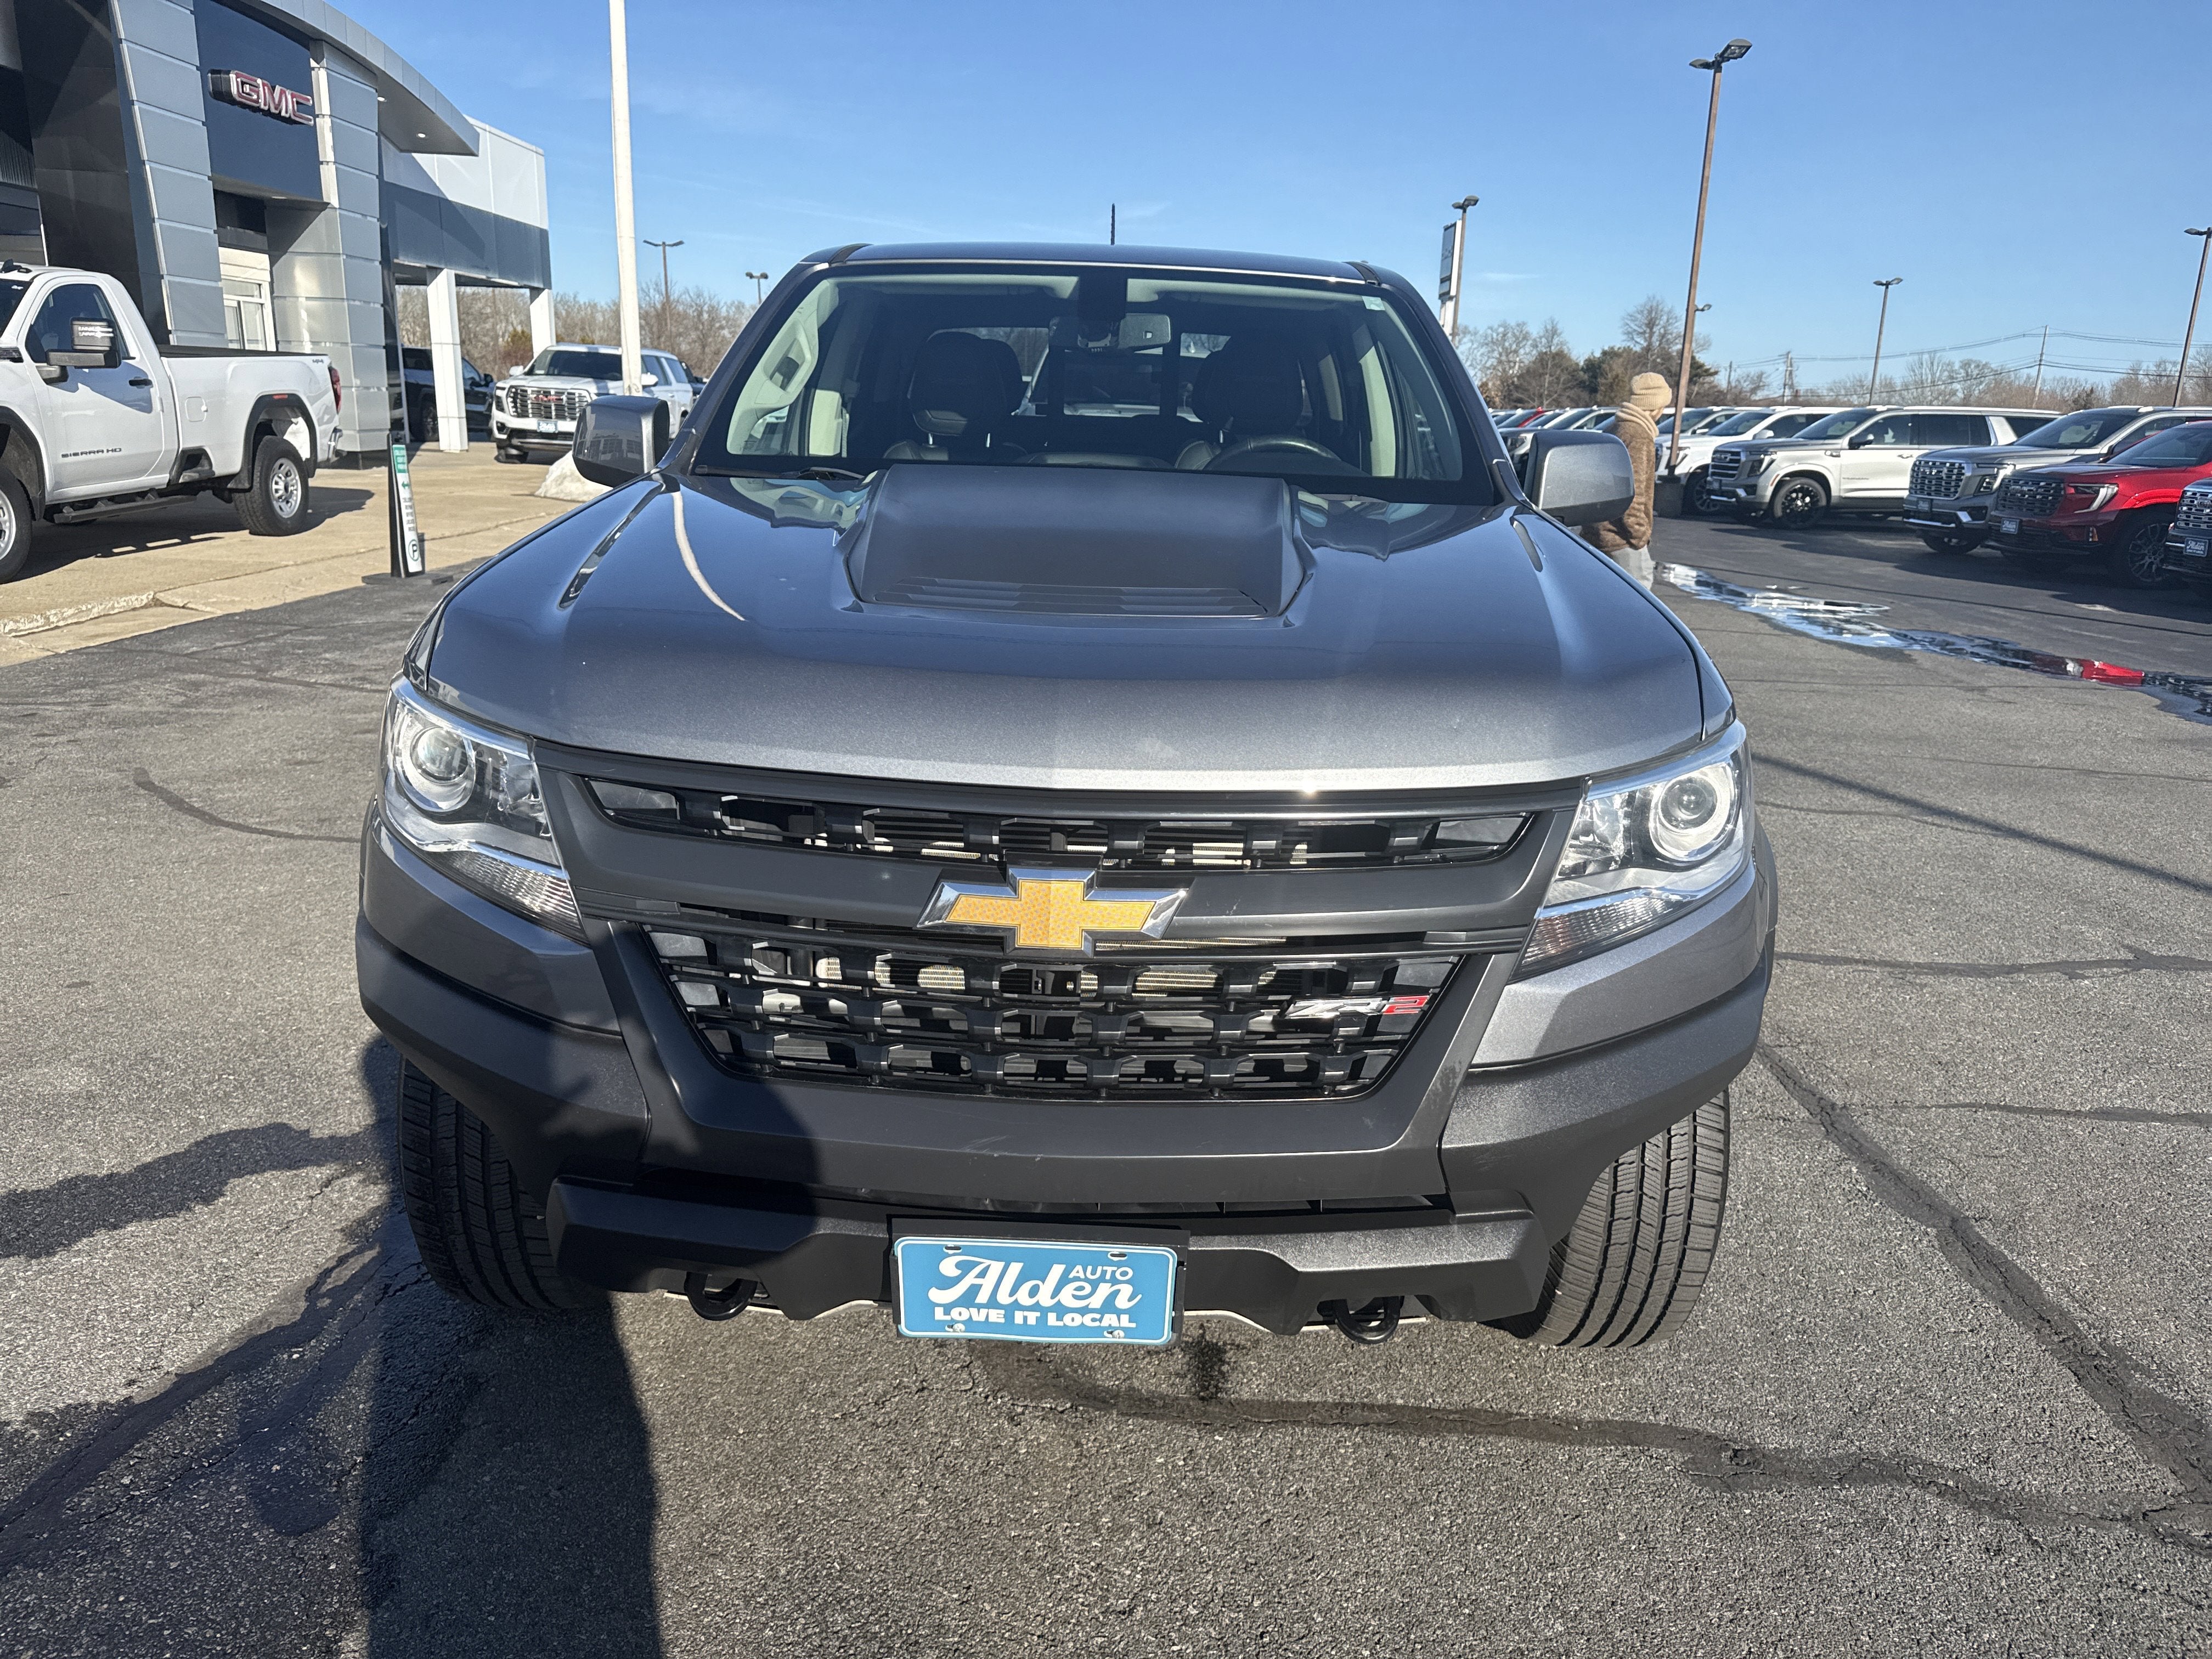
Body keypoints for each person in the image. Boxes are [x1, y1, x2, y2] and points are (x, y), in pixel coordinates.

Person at [1587, 371, 1668, 584]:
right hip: (1621, 539)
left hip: (1596, 532)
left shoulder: (1613, 429)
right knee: (1640, 602)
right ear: (1656, 407)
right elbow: (1634, 492)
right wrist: (1639, 536)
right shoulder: (1639, 436)